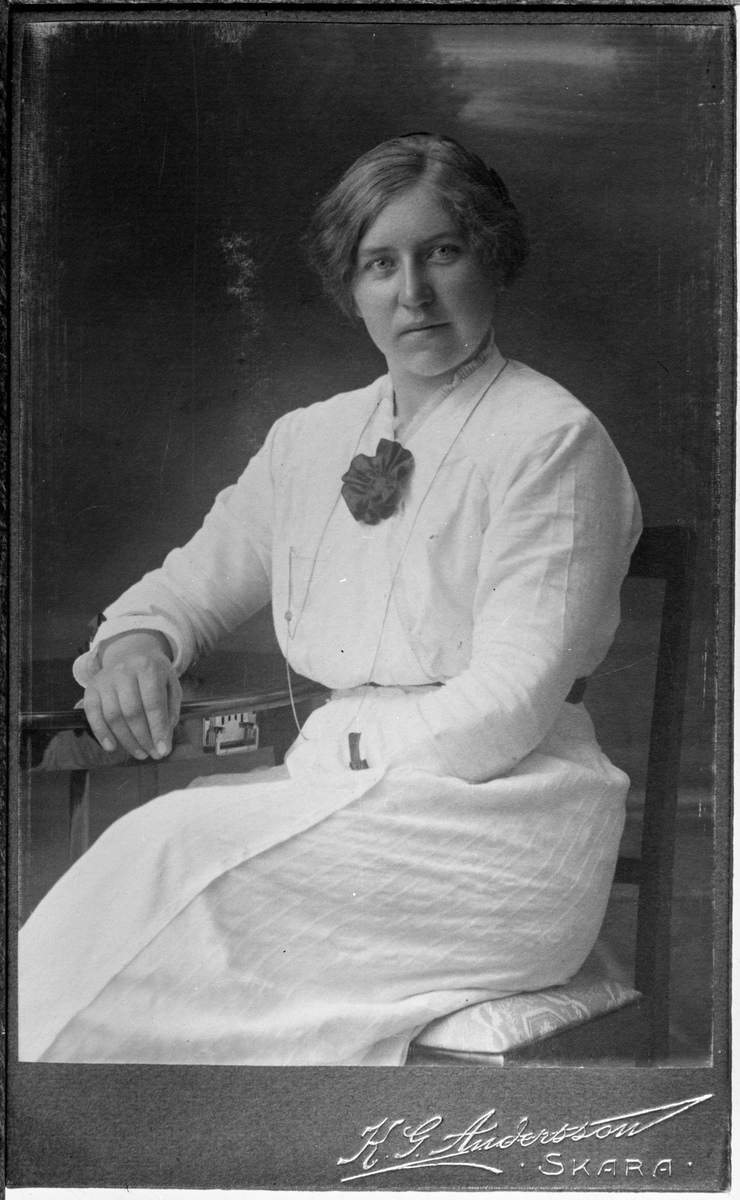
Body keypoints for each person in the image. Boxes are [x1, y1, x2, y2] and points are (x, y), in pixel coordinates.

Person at [19, 133, 641, 1066]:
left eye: (442, 252)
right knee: (154, 862)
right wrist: (136, 643)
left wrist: (339, 757)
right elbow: (187, 586)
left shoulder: (552, 439)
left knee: (169, 850)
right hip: (346, 798)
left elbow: (511, 703)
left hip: (499, 822)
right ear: (351, 287)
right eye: (379, 264)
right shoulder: (308, 440)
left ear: (492, 257)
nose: (413, 293)